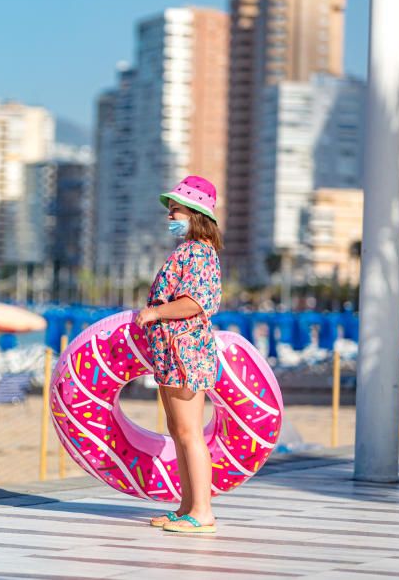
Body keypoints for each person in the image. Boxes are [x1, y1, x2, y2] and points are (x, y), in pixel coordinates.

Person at [133, 175, 223, 535]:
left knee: (189, 433)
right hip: (172, 354)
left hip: (186, 352)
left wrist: (155, 313)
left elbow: (195, 302)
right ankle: (187, 506)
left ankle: (202, 510)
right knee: (179, 430)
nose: (170, 217)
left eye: (175, 211)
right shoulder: (188, 251)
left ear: (196, 215)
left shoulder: (199, 253)